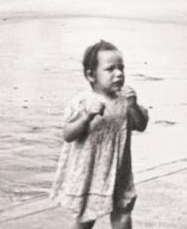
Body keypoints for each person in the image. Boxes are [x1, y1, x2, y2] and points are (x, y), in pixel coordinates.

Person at [50, 40, 149, 229]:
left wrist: (134, 106)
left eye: (121, 68)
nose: (119, 74)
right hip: (90, 172)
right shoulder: (82, 102)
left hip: (120, 171)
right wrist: (87, 117)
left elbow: (141, 125)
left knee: (123, 215)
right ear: (91, 75)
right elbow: (68, 135)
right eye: (110, 69)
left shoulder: (125, 102)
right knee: (86, 219)